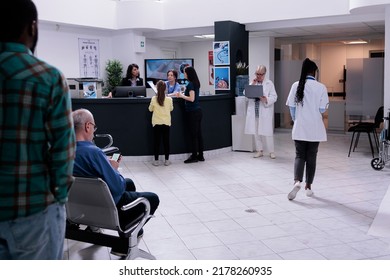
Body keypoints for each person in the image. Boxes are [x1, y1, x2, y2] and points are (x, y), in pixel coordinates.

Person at [0, 0, 76, 260]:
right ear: (31, 27)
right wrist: (59, 197)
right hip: (32, 209)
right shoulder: (48, 77)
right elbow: (63, 149)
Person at [72, 109, 159, 236]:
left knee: (129, 183)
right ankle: (127, 234)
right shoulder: (94, 152)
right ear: (87, 126)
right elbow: (117, 187)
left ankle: (129, 229)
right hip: (106, 209)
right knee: (153, 198)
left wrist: (104, 163)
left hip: (83, 205)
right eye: (94, 127)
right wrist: (113, 167)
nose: (94, 132)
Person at [285, 58, 329, 200]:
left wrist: (295, 119)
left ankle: (297, 181)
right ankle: (308, 187)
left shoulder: (296, 85)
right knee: (312, 157)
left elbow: (291, 107)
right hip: (315, 128)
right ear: (314, 72)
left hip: (300, 127)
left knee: (299, 155)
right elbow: (322, 109)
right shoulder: (321, 87)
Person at [244, 65, 278, 159]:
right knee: (256, 132)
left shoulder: (269, 83)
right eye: (257, 74)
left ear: (264, 74)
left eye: (260, 74)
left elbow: (274, 97)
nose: (258, 76)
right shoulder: (253, 82)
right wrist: (252, 85)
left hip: (264, 110)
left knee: (267, 132)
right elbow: (245, 93)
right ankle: (260, 150)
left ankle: (271, 151)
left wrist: (266, 99)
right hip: (254, 111)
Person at [175, 66, 204, 163]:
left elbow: (192, 99)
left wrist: (182, 96)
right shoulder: (195, 83)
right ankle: (200, 155)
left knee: (194, 135)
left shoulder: (191, 84)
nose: (184, 74)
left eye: (185, 72)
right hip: (197, 111)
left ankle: (194, 156)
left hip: (193, 112)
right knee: (198, 134)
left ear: (189, 74)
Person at [149, 81, 174, 166]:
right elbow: (171, 109)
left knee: (157, 142)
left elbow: (150, 109)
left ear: (157, 88)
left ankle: (156, 161)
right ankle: (167, 160)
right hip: (166, 123)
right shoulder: (169, 99)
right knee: (166, 142)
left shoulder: (153, 99)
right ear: (165, 88)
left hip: (156, 123)